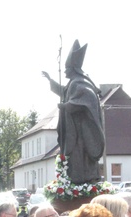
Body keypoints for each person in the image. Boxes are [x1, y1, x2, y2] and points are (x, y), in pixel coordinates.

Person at [42, 39, 104, 184]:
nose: (65, 71)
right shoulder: (72, 83)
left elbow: (86, 98)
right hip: (73, 132)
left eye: (67, 68)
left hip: (81, 133)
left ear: (73, 68)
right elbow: (64, 92)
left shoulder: (79, 82)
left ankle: (82, 184)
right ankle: (75, 183)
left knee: (79, 159)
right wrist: (51, 80)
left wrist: (67, 105)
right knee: (73, 160)